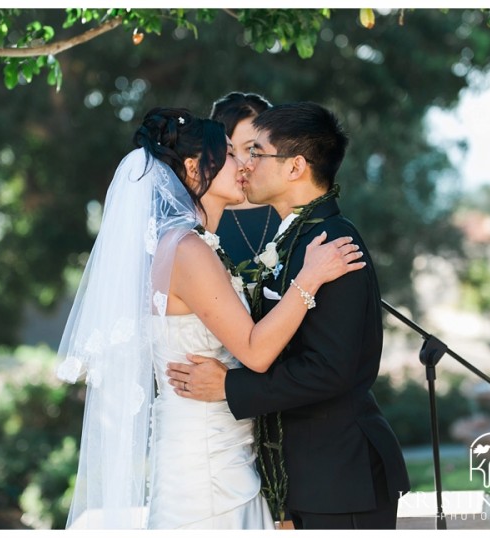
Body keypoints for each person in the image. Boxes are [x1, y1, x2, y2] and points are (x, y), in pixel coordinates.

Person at [55, 107, 365, 529]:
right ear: (192, 167)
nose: (244, 165)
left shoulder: (185, 245)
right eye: (231, 156)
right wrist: (308, 279)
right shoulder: (188, 250)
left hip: (216, 454)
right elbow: (255, 352)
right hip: (207, 469)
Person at [166, 102, 411, 529]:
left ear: (295, 167)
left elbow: (331, 369)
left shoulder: (333, 244)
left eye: (256, 152)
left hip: (342, 477)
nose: (245, 164)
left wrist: (231, 386)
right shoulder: (295, 241)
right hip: (308, 479)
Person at [209, 92, 281, 279]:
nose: (241, 163)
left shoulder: (290, 211)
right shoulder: (203, 218)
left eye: (251, 149)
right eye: (229, 151)